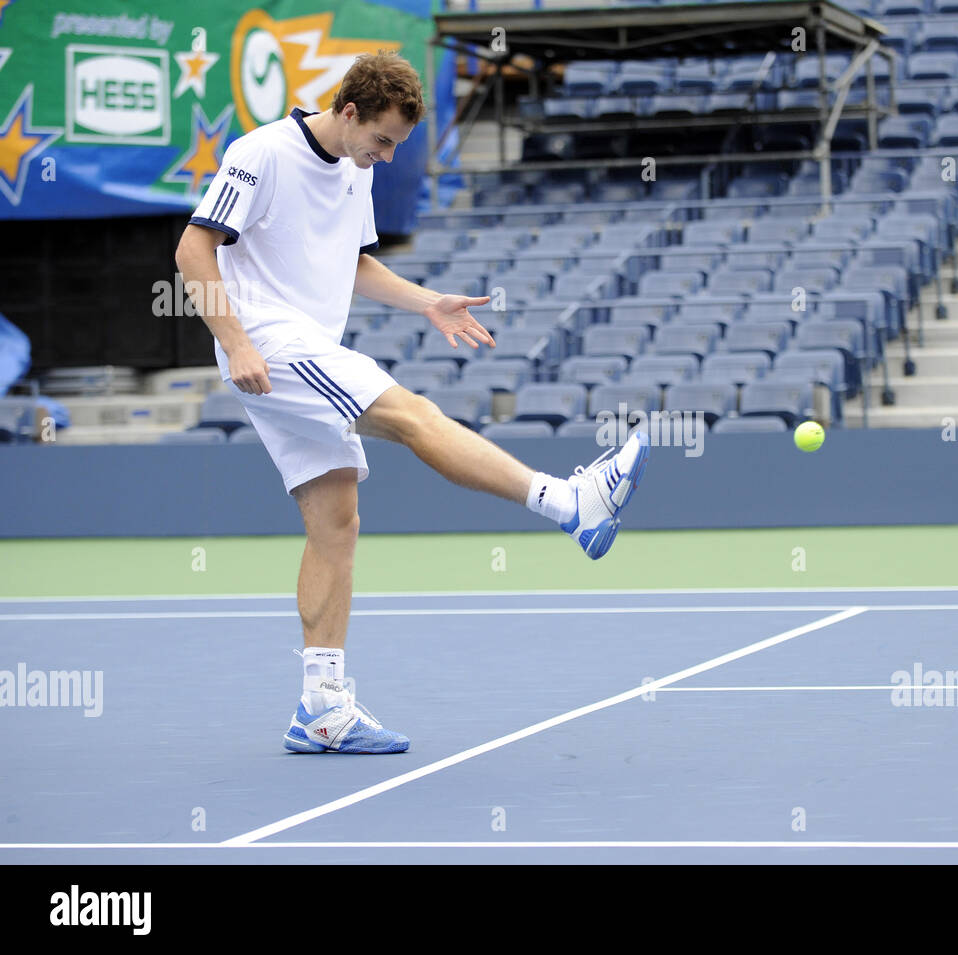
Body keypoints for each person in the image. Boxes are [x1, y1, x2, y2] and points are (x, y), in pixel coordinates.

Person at [174, 51, 648, 755]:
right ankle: (568, 502)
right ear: (350, 112)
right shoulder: (262, 153)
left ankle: (321, 708)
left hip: (295, 347)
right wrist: (237, 341)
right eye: (383, 139)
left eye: (397, 145)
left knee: (336, 520)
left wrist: (430, 302)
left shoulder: (356, 171)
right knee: (412, 413)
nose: (387, 156)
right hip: (271, 340)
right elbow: (192, 248)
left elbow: (354, 263)